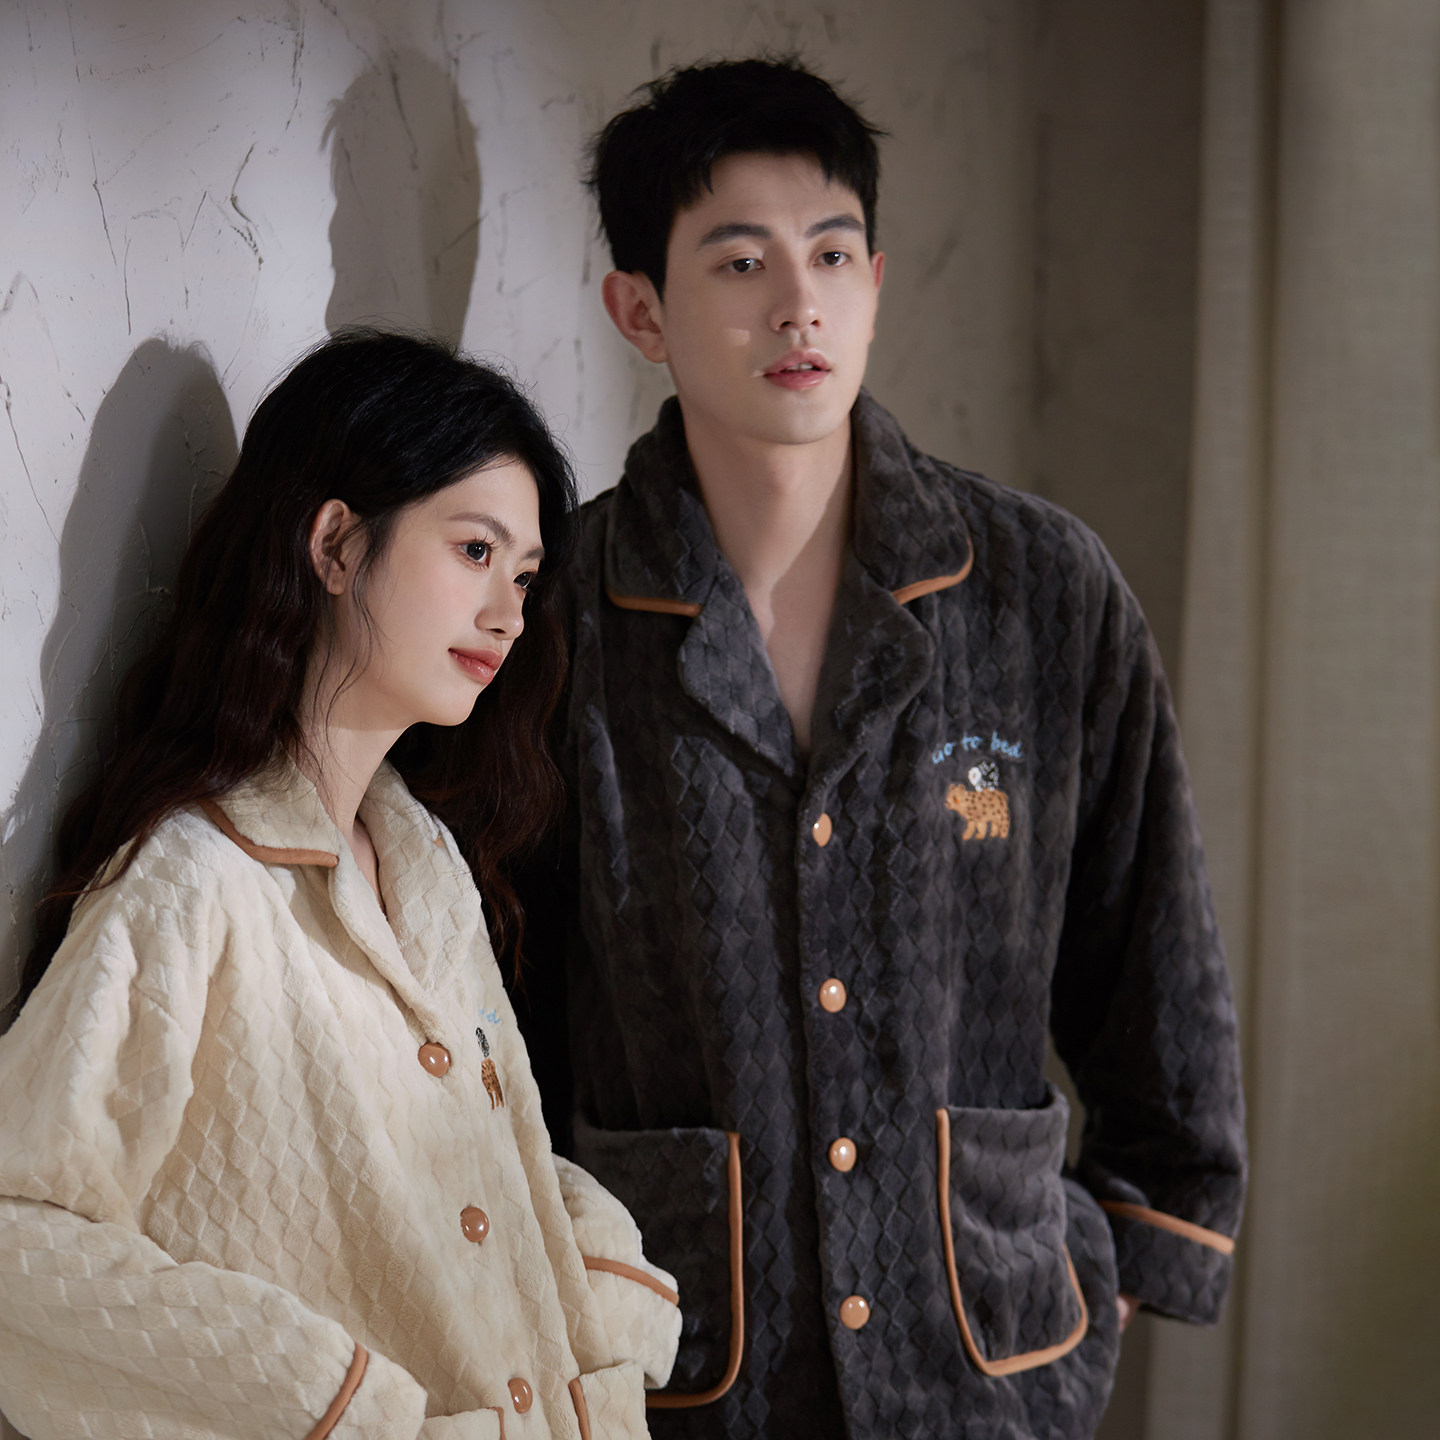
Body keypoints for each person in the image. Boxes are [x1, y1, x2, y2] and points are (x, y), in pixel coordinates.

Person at [515, 59, 1247, 1439]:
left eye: (833, 255)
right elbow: (504, 1002)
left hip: (990, 1369)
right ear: (641, 310)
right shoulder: (564, 620)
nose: (799, 305)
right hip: (680, 1375)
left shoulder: (1041, 589)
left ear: (876, 281)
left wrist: (1122, 1264)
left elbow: (1153, 952)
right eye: (741, 263)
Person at [0, 330, 680, 1440]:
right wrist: (329, 1404)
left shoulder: (427, 868)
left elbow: (473, 1155)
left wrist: (603, 1282)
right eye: (474, 550)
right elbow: (18, 1239)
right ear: (334, 543)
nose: (508, 614)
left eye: (522, 575)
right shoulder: (194, 880)